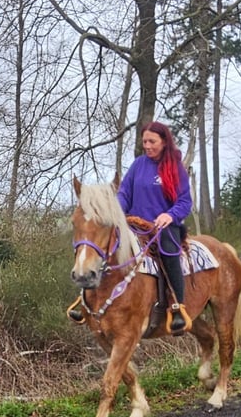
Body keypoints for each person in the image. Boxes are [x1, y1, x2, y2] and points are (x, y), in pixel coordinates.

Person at [68, 120, 193, 334]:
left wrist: (169, 215)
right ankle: (86, 302)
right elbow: (125, 193)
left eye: (152, 141)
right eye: (145, 142)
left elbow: (184, 202)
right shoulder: (138, 164)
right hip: (134, 223)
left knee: (168, 252)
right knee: (104, 247)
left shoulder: (176, 168)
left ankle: (177, 307)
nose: (147, 146)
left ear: (164, 142)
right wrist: (115, 211)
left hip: (163, 226)